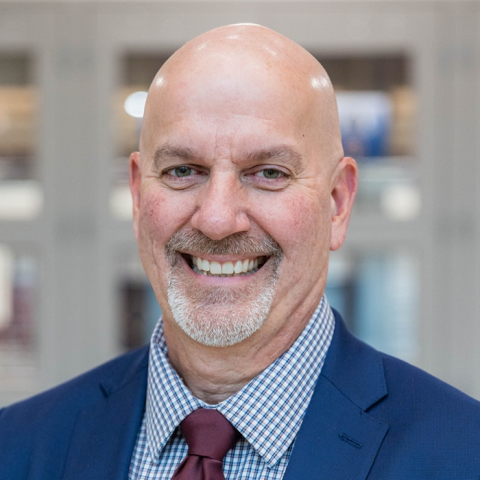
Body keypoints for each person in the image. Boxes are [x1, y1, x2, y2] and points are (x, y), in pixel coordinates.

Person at [1, 23, 480, 480]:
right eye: (182, 170)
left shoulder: (463, 455)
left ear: (337, 202)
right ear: (138, 195)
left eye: (269, 173)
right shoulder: (17, 447)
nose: (216, 219)